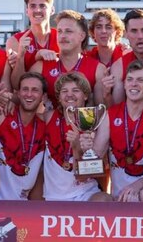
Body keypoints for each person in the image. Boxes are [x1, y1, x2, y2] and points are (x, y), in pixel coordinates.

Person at [91, 60, 143, 201]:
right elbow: (96, 157)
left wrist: (137, 186)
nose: (134, 84)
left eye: (140, 80)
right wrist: (85, 148)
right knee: (98, 200)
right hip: (119, 196)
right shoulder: (110, 115)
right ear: (124, 84)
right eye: (130, 80)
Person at [0, 72, 47, 200]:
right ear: (18, 94)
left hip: (20, 209)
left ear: (43, 97)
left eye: (35, 90)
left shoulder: (45, 124)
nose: (29, 94)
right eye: (25, 89)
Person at [42, 72, 112, 202]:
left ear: (85, 95)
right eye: (64, 91)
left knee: (104, 200)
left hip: (85, 193)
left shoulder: (95, 123)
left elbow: (84, 176)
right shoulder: (48, 117)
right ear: (59, 97)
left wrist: (77, 149)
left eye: (76, 90)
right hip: (53, 196)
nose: (69, 95)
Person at [30, 10, 106, 108]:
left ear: (82, 36)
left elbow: (101, 109)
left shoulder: (98, 69)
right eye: (59, 31)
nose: (62, 36)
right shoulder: (41, 66)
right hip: (50, 122)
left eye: (68, 31)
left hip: (82, 122)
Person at [7, 0, 60, 90]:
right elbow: (17, 85)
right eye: (33, 6)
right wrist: (21, 56)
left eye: (42, 6)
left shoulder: (61, 37)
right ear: (27, 11)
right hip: (29, 99)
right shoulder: (15, 41)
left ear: (52, 10)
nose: (37, 10)